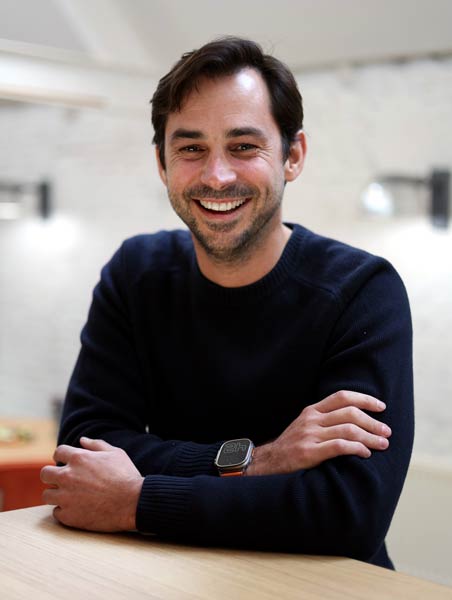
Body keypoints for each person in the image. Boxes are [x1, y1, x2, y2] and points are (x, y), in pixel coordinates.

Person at [40, 37, 414, 569]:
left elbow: (348, 512)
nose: (217, 176)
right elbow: (85, 450)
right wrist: (261, 461)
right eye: (191, 148)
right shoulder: (136, 273)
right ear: (163, 164)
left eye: (243, 146)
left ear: (293, 156)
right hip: (167, 577)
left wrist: (138, 500)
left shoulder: (362, 290)